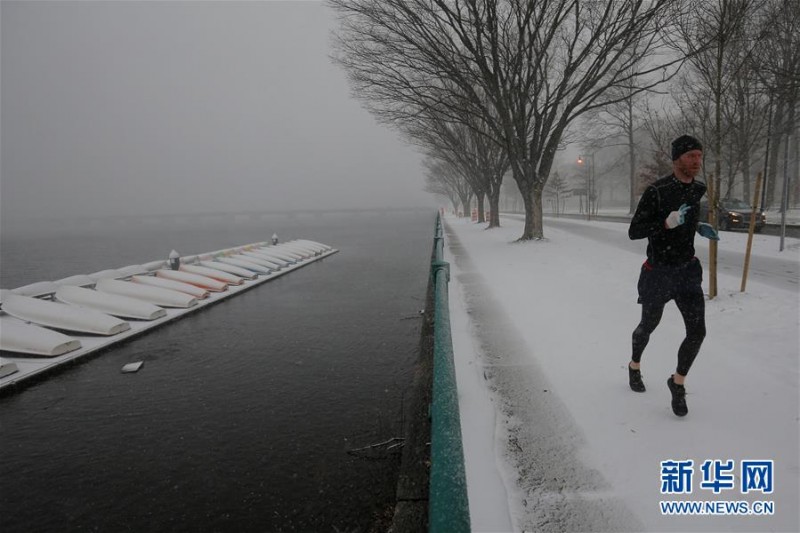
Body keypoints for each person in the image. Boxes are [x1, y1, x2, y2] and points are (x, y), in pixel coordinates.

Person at [627, 135, 719, 417]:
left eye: (700, 156)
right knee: (648, 326)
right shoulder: (657, 190)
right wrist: (664, 223)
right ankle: (634, 365)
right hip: (659, 272)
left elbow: (687, 217)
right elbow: (635, 231)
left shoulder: (699, 189)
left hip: (687, 272)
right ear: (677, 158)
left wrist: (697, 225)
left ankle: (677, 382)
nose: (697, 161)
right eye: (692, 156)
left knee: (698, 331)